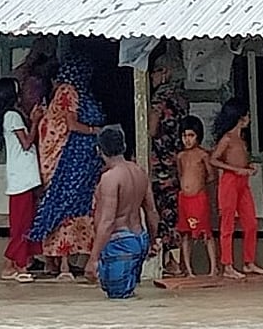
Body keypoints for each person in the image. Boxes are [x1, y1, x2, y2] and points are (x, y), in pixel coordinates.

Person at [28, 52, 106, 280]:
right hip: (65, 159)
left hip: (74, 157)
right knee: (65, 205)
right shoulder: (68, 92)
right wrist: (96, 131)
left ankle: (59, 263)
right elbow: (71, 125)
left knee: (71, 206)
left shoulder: (70, 91)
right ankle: (61, 264)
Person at [85, 125, 160, 299]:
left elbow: (108, 221)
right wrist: (152, 241)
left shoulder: (110, 178)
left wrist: (93, 258)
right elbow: (152, 212)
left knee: (118, 300)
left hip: (119, 243)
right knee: (128, 296)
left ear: (99, 149)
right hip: (138, 239)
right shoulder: (139, 172)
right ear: (123, 147)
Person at [210, 98, 263, 279]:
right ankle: (227, 265)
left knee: (251, 222)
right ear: (240, 117)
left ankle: (248, 262)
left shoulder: (241, 139)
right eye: (247, 115)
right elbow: (213, 159)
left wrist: (249, 166)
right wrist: (237, 169)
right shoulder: (227, 138)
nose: (249, 118)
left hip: (243, 183)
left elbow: (241, 159)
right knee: (227, 224)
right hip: (230, 182)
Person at [0, 77, 43, 282]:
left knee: (25, 222)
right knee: (22, 225)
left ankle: (16, 262)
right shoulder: (12, 116)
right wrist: (36, 122)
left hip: (24, 177)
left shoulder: (13, 115)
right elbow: (26, 143)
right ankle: (18, 265)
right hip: (22, 177)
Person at [148, 45, 190, 275]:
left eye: (155, 71)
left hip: (161, 164)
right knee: (174, 212)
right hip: (177, 163)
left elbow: (153, 130)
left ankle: (169, 262)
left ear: (165, 72)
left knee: (162, 212)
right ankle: (178, 261)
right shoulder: (182, 97)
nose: (152, 76)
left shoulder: (161, 97)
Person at [175, 115, 217, 277]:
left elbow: (211, 175)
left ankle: (213, 268)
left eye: (191, 136)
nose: (187, 140)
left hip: (199, 198)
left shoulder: (203, 155)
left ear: (198, 136)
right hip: (184, 199)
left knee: (206, 233)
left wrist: (200, 188)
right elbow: (180, 174)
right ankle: (189, 270)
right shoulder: (180, 156)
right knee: (185, 234)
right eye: (184, 136)